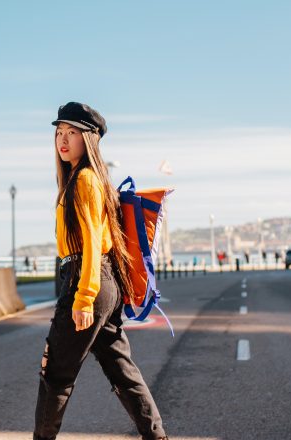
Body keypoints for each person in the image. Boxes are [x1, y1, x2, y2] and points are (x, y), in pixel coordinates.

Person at [34, 102, 168, 440]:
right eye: (59, 133)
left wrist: (83, 297)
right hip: (103, 283)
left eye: (73, 133)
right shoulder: (88, 180)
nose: (63, 140)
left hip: (87, 281)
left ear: (90, 139)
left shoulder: (85, 181)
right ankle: (157, 437)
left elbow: (92, 243)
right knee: (121, 370)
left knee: (56, 375)